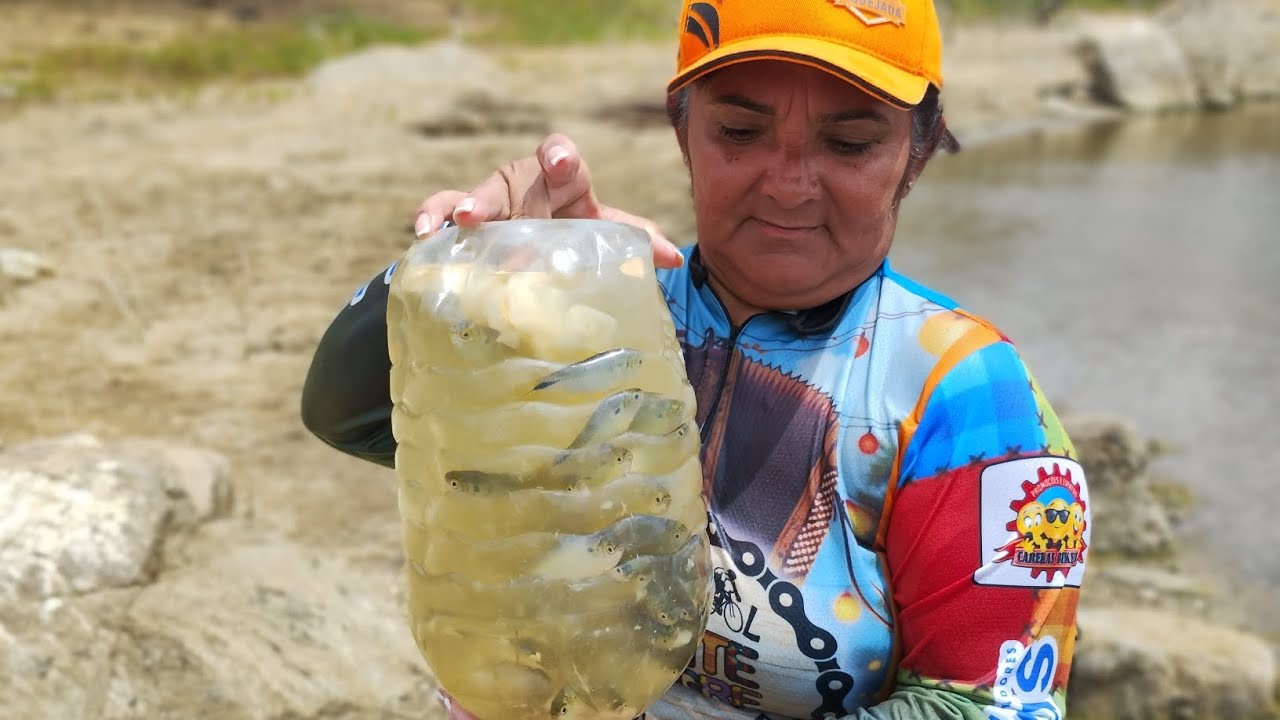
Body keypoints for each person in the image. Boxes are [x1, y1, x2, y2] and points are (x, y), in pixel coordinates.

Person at [300, 0, 1092, 718]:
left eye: (849, 143)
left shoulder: (962, 393)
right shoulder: (600, 316)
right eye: (739, 133)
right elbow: (351, 416)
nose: (788, 185)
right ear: (683, 130)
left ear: (916, 156)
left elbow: (992, 707)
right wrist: (465, 266)